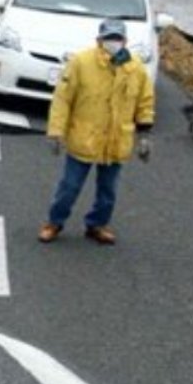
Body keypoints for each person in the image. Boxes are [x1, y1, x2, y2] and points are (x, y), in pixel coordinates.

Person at [39, 17, 155, 245]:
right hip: (84, 137)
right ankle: (54, 222)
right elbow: (63, 98)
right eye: (108, 38)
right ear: (99, 40)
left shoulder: (136, 69)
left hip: (115, 139)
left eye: (117, 38)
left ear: (125, 41)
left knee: (108, 191)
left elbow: (145, 102)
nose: (113, 43)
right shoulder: (81, 62)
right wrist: (56, 131)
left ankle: (97, 225)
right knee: (69, 186)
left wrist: (145, 134)